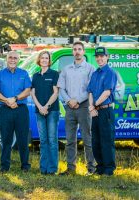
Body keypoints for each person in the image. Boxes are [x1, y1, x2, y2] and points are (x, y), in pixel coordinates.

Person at [57, 41, 96, 176]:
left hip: (84, 107)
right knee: (70, 139)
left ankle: (91, 168)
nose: (77, 51)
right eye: (75, 49)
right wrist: (69, 101)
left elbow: (91, 89)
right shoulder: (66, 69)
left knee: (87, 138)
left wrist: (78, 100)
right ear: (72, 52)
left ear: (83, 51)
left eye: (79, 49)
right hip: (69, 108)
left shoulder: (90, 69)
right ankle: (70, 168)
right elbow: (61, 88)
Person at [0, 51, 31, 173]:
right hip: (5, 110)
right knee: (5, 139)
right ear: (6, 59)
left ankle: (25, 166)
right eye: (10, 57)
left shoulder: (24, 73)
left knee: (23, 139)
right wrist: (7, 101)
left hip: (21, 110)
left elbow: (27, 90)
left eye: (15, 58)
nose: (13, 60)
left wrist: (15, 99)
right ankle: (4, 166)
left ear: (19, 60)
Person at [87, 46, 117, 176]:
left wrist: (93, 106)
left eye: (102, 56)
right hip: (95, 112)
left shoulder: (110, 73)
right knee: (96, 141)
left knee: (107, 140)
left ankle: (109, 169)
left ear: (107, 57)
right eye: (97, 57)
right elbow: (90, 92)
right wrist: (91, 107)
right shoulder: (95, 73)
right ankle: (100, 168)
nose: (99, 59)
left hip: (105, 111)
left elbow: (106, 93)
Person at [31, 51, 59, 175]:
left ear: (49, 60)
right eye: (42, 58)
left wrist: (46, 106)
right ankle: (43, 168)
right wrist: (40, 107)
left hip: (52, 110)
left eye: (46, 58)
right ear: (39, 60)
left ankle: (52, 169)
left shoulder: (54, 74)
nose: (44, 60)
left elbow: (56, 92)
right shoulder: (35, 76)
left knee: (52, 140)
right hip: (39, 111)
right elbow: (32, 93)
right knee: (43, 140)